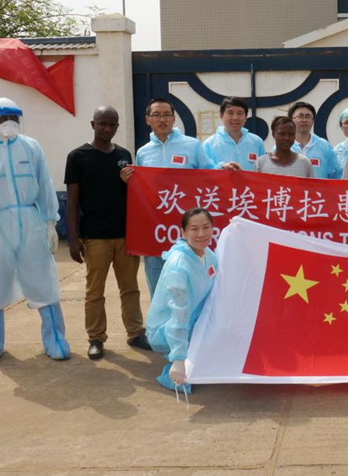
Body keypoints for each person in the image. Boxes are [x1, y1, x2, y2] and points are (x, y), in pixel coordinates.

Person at [0, 98, 70, 366]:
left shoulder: (31, 147)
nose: (9, 123)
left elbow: (45, 184)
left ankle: (55, 338)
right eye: (3, 118)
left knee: (42, 279)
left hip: (30, 222)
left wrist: (50, 222)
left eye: (13, 117)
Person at [65, 106, 150, 360]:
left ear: (117, 127)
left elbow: (134, 194)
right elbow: (72, 202)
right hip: (94, 237)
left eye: (112, 124)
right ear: (93, 124)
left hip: (125, 235)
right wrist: (73, 239)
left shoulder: (124, 155)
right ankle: (96, 338)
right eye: (102, 123)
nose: (107, 129)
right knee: (95, 291)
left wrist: (129, 183)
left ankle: (135, 332)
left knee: (130, 288)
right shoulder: (77, 157)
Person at [123, 98, 227, 297]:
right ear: (147, 120)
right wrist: (129, 180)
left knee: (190, 282)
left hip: (188, 229)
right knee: (158, 284)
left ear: (173, 119)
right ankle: (159, 317)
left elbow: (210, 173)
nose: (162, 119)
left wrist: (224, 168)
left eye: (166, 115)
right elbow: (142, 189)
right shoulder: (144, 153)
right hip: (156, 228)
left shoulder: (192, 146)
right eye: (156, 115)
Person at [146, 207, 219, 394]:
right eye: (194, 229)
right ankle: (174, 364)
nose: (201, 234)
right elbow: (179, 312)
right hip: (168, 327)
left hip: (194, 318)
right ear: (183, 232)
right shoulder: (178, 266)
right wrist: (179, 358)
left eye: (206, 227)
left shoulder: (209, 255)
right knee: (188, 375)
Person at [202, 97, 263, 171]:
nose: (235, 118)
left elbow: (263, 171)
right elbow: (203, 172)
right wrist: (220, 167)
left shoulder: (257, 142)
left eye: (240, 113)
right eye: (230, 113)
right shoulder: (209, 144)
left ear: (245, 117)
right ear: (221, 115)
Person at [288, 101, 341, 179]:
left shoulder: (324, 146)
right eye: (300, 116)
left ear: (313, 120)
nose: (304, 120)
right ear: (291, 120)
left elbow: (336, 175)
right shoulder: (281, 146)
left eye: (308, 116)